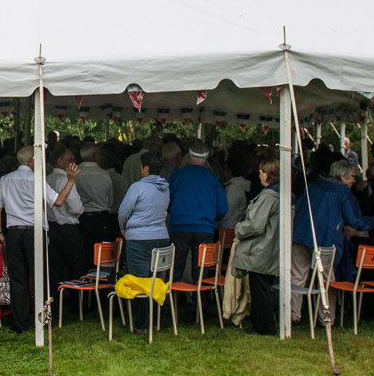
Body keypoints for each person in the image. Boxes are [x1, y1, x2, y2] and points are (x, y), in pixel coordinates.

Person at [0, 145, 80, 334]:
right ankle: (43, 318)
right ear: (31, 161)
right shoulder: (37, 179)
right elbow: (58, 201)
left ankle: (20, 323)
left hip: (14, 232)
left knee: (18, 279)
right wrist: (71, 181)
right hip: (35, 231)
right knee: (40, 276)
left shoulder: (5, 180)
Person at [289, 160, 374, 323]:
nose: (354, 180)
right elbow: (355, 221)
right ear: (343, 176)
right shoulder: (343, 192)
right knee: (326, 280)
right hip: (326, 240)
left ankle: (292, 315)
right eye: (352, 176)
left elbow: (298, 205)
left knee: (297, 276)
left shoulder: (313, 184)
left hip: (301, 234)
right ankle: (326, 317)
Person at [116, 151, 171, 335]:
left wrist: (123, 228)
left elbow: (123, 211)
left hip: (138, 239)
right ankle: (156, 320)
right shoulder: (165, 187)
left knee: (140, 282)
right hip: (161, 237)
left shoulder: (137, 187)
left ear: (146, 168)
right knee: (156, 280)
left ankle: (141, 324)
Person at [231, 151, 283, 335]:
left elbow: (255, 224)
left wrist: (239, 229)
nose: (259, 174)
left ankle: (264, 327)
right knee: (262, 288)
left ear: (268, 174)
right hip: (271, 246)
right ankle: (262, 324)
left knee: (260, 289)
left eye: (261, 171)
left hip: (262, 248)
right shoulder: (281, 194)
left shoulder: (268, 196)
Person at [166, 142, 228, 286]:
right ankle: (200, 306)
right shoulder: (212, 178)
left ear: (189, 155)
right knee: (201, 273)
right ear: (206, 157)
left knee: (174, 270)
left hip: (179, 227)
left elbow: (166, 199)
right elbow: (222, 208)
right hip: (204, 228)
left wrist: (175, 212)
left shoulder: (178, 175)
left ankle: (169, 305)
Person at [45, 147, 89, 283]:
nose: (74, 163)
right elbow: (76, 207)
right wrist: (82, 208)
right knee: (78, 269)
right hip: (67, 229)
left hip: (51, 227)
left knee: (54, 271)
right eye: (70, 160)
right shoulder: (65, 179)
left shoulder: (47, 178)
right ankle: (78, 303)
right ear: (59, 161)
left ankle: (55, 303)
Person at [74, 143, 120, 246]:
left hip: (83, 218)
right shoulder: (104, 174)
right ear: (94, 156)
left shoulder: (76, 173)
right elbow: (110, 199)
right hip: (102, 218)